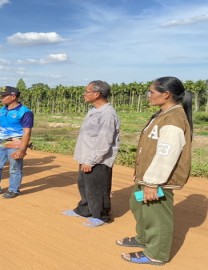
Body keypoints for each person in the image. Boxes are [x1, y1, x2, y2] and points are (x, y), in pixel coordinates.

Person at [118, 76, 192, 266]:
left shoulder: (174, 118)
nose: (148, 95)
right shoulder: (162, 114)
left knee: (157, 216)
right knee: (138, 205)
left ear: (166, 94)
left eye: (151, 92)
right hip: (147, 176)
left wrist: (152, 182)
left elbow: (166, 154)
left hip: (158, 179)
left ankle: (156, 253)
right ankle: (144, 237)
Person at [62, 80, 120, 227]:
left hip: (97, 159)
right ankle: (85, 209)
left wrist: (92, 160)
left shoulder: (107, 114)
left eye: (87, 91)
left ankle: (101, 215)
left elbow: (104, 141)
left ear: (97, 94)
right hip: (86, 156)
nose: (84, 94)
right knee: (85, 185)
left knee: (97, 188)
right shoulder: (94, 111)